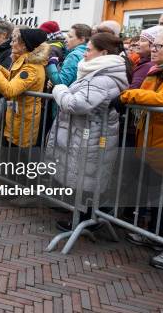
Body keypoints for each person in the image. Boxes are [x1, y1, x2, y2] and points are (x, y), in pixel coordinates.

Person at [46, 32, 130, 231]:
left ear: (103, 52)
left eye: (89, 50)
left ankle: (84, 221)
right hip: (84, 133)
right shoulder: (96, 72)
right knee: (82, 176)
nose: (84, 54)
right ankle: (81, 219)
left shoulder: (104, 78)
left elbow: (76, 104)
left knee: (87, 177)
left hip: (92, 136)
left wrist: (59, 88)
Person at [117, 26, 163, 270]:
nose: (153, 49)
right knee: (153, 194)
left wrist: (126, 96)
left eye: (159, 46)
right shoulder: (158, 71)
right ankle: (154, 236)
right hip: (152, 145)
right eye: (153, 45)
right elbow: (145, 93)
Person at [0, 29, 49, 147]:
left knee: (16, 159)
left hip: (23, 120)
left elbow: (10, 90)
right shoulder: (25, 61)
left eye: (14, 41)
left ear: (24, 45)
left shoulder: (31, 68)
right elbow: (14, 80)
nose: (11, 44)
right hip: (16, 117)